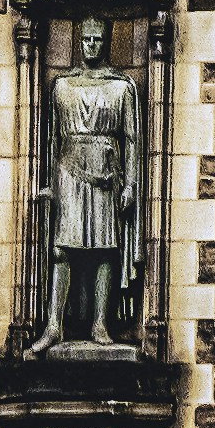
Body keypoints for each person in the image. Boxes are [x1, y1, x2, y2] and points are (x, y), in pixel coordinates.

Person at [41, 30, 144, 345]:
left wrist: (130, 183)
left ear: (106, 41)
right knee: (61, 250)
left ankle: (100, 324)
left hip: (105, 174)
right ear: (79, 41)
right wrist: (48, 183)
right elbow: (52, 139)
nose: (91, 44)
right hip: (68, 173)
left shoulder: (121, 87)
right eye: (86, 38)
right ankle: (53, 325)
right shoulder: (62, 86)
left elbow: (131, 138)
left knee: (105, 250)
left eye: (97, 38)